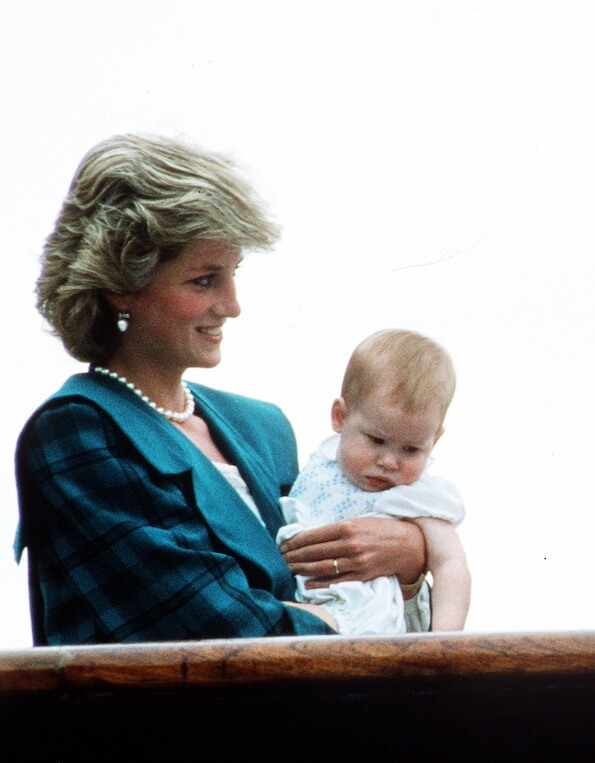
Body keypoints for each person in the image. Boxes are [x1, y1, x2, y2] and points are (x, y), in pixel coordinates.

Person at [13, 134, 427, 644]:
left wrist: (409, 557)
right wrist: (343, 626)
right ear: (121, 284)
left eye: (233, 274)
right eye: (205, 280)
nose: (232, 305)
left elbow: (359, 602)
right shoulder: (76, 432)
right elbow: (209, 628)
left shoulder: (264, 429)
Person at [277, 329, 470, 633]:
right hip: (302, 595)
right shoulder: (322, 465)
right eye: (376, 440)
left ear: (434, 440)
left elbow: (450, 564)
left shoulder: (417, 494)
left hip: (364, 621)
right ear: (340, 416)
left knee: (271, 623)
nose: (389, 462)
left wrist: (444, 642)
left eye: (411, 449)